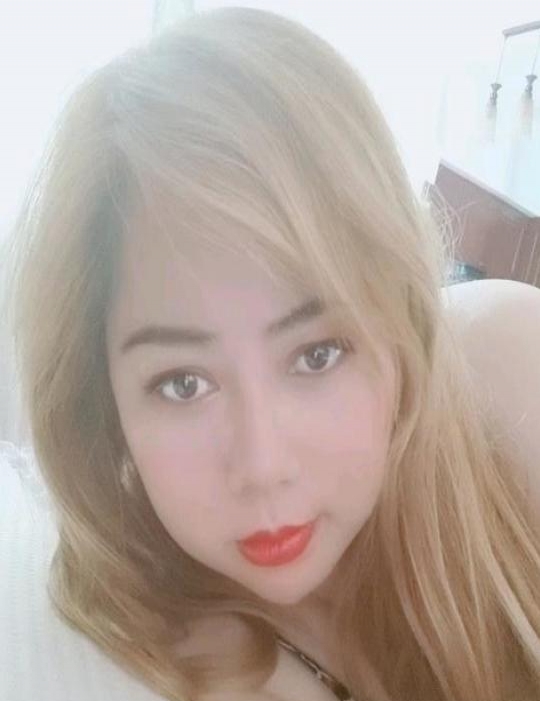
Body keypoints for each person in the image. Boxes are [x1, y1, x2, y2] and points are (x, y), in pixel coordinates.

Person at [2, 7, 540, 701]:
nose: (263, 467)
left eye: (318, 354)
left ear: (401, 320)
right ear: (104, 402)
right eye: (183, 383)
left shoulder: (508, 369)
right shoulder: (156, 657)